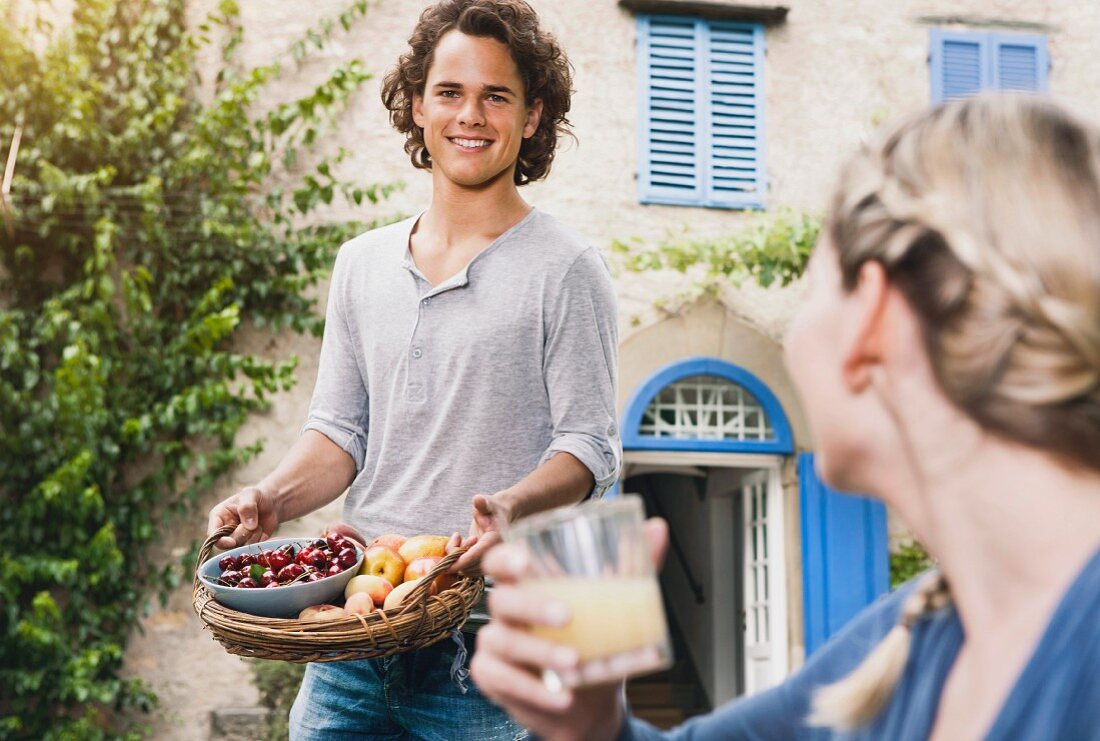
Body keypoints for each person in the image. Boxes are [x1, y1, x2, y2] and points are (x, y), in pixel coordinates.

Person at [470, 94, 1100, 740]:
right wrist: (594, 723)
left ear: (872, 318)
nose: (797, 333)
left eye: (813, 287)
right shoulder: (919, 630)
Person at [205, 1, 621, 738]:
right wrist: (273, 494)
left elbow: (590, 445)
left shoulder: (567, 267)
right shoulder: (361, 264)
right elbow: (339, 431)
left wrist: (511, 504)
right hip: (355, 633)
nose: (472, 115)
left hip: (493, 643)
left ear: (532, 117)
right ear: (418, 105)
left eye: (498, 96)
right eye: (451, 92)